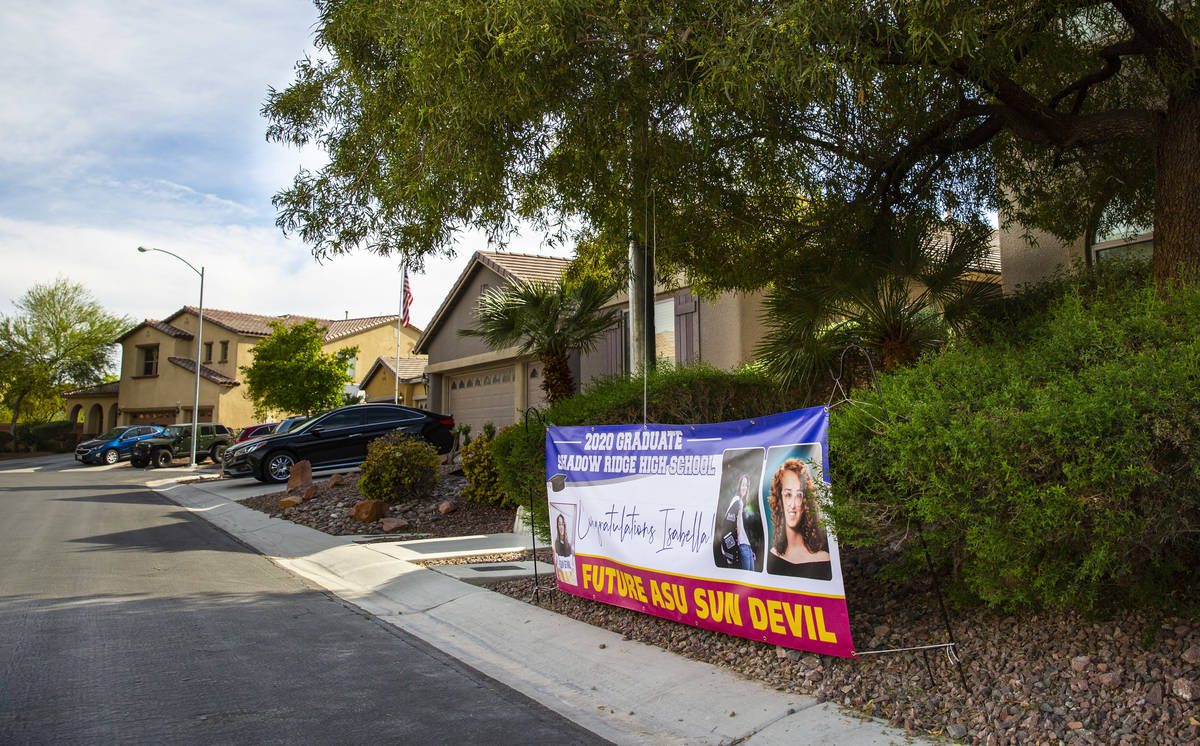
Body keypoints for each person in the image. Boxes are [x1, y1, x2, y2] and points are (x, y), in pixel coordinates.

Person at [765, 458, 832, 580]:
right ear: (779, 499)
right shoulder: (771, 556)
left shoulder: (824, 559)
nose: (793, 504)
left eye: (799, 495)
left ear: (806, 501)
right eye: (788, 494)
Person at [714, 473, 757, 571]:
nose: (744, 487)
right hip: (742, 546)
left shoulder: (743, 503)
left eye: (746, 485)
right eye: (743, 484)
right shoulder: (736, 500)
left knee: (751, 579)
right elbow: (730, 523)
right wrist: (735, 547)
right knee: (746, 580)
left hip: (748, 547)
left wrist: (750, 547)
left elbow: (744, 527)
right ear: (739, 486)